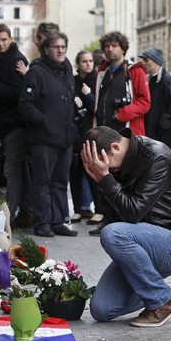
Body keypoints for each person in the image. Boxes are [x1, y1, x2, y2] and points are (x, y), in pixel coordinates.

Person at [81, 126, 171, 327]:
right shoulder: (117, 164)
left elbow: (133, 213)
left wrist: (105, 179)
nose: (108, 171)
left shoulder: (156, 157)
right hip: (143, 241)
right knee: (101, 309)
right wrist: (102, 183)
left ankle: (163, 301)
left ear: (115, 146)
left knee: (112, 234)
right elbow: (111, 217)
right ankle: (151, 285)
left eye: (107, 166)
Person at [89, 31, 151, 234]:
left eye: (114, 45)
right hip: (104, 134)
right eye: (107, 45)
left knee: (126, 179)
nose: (110, 49)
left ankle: (123, 220)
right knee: (104, 177)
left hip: (125, 135)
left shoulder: (134, 70)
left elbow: (144, 101)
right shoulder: (103, 71)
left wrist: (124, 113)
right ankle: (108, 219)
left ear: (123, 47)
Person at [18, 30, 79, 237]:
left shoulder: (66, 69)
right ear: (46, 49)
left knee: (61, 182)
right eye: (56, 47)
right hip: (43, 138)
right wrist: (44, 122)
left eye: (63, 47)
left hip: (65, 137)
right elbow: (25, 105)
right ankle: (42, 222)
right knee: (42, 182)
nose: (61, 50)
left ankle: (58, 221)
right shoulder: (36, 72)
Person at [0, 23, 32, 228]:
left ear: (11, 38)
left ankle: (9, 215)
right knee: (18, 170)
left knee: (12, 170)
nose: (0, 43)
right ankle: (23, 212)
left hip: (15, 123)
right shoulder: (0, 59)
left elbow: (17, 94)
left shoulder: (16, 60)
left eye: (4, 39)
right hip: (8, 124)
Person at [140, 47, 171, 152]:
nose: (143, 63)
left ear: (156, 62)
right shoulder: (152, 79)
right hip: (158, 136)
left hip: (165, 137)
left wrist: (163, 123)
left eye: (147, 60)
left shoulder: (166, 80)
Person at [69, 50, 97, 223]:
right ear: (78, 64)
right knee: (75, 172)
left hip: (92, 132)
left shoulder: (96, 81)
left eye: (91, 60)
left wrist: (88, 95)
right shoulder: (73, 81)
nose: (88, 64)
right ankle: (78, 209)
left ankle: (96, 208)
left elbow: (98, 107)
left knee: (92, 173)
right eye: (85, 61)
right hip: (75, 132)